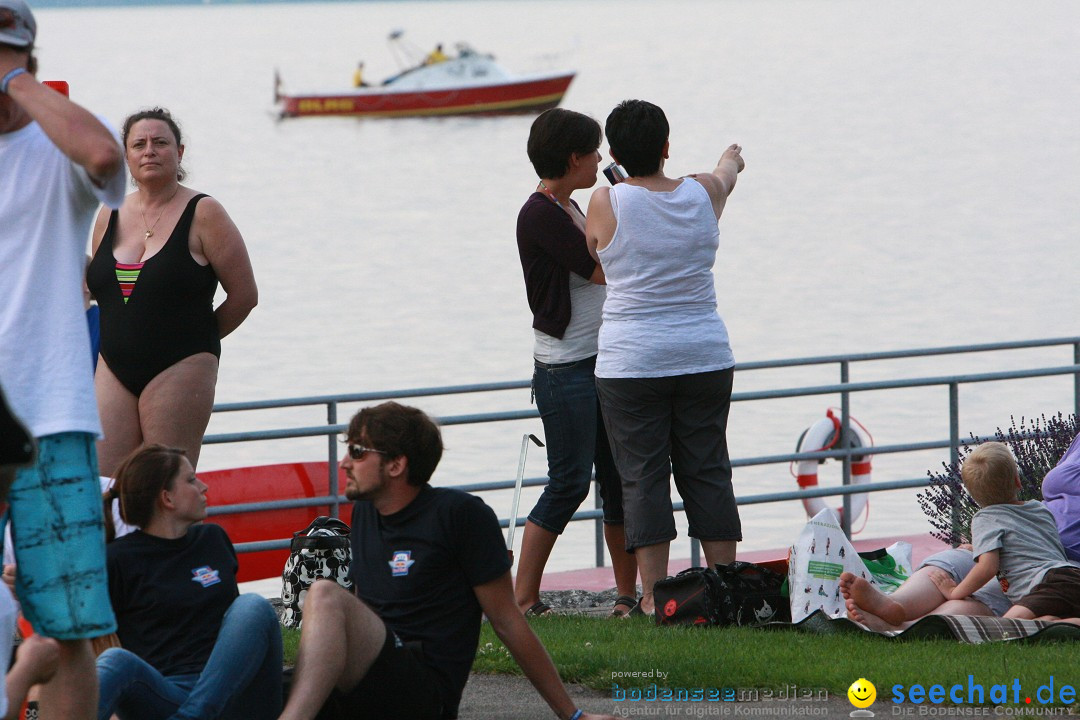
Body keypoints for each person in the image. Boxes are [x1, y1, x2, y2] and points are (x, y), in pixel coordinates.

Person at [278, 402, 616, 720]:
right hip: (370, 676)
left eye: (357, 452)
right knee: (260, 678)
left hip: (423, 693)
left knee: (323, 592)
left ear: (396, 464)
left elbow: (507, 620)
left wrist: (572, 714)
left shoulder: (460, 516)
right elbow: (363, 607)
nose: (344, 463)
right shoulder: (367, 511)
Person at [1, 2, 127, 717]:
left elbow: (107, 156)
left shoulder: (60, 151)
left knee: (71, 624)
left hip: (49, 411)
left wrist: (15, 81)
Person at [583, 99, 745, 616]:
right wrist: (729, 160)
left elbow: (594, 250)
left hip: (632, 363)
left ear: (613, 152)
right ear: (667, 147)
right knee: (708, 470)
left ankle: (654, 597)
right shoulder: (701, 194)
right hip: (703, 353)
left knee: (643, 477)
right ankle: (726, 586)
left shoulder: (606, 200)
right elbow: (723, 176)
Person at [87, 107, 258, 477]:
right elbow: (102, 290)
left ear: (178, 153)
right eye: (139, 144)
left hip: (180, 365)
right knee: (106, 488)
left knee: (165, 486)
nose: (149, 150)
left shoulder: (204, 212)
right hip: (113, 365)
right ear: (126, 157)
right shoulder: (109, 213)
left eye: (160, 142)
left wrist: (194, 339)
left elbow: (244, 296)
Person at [515, 108, 637, 618]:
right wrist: (626, 206)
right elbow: (601, 268)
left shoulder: (572, 205)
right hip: (565, 366)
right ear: (573, 158)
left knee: (617, 480)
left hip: (603, 361)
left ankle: (628, 597)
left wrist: (621, 201)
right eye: (594, 152)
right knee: (568, 482)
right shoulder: (541, 212)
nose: (601, 160)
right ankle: (522, 598)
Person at [96, 444, 283, 720]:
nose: (204, 486)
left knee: (252, 605)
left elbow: (238, 628)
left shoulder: (212, 540)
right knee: (115, 662)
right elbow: (93, 642)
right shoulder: (116, 559)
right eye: (191, 479)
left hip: (235, 691)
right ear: (167, 498)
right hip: (167, 696)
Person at [933, 441, 1080, 623]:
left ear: (973, 496)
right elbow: (1027, 542)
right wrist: (980, 547)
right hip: (1070, 575)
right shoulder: (1038, 508)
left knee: (1007, 625)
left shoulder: (985, 518)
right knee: (1043, 622)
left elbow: (987, 567)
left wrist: (955, 592)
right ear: (1018, 481)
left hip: (1046, 585)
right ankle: (1054, 622)